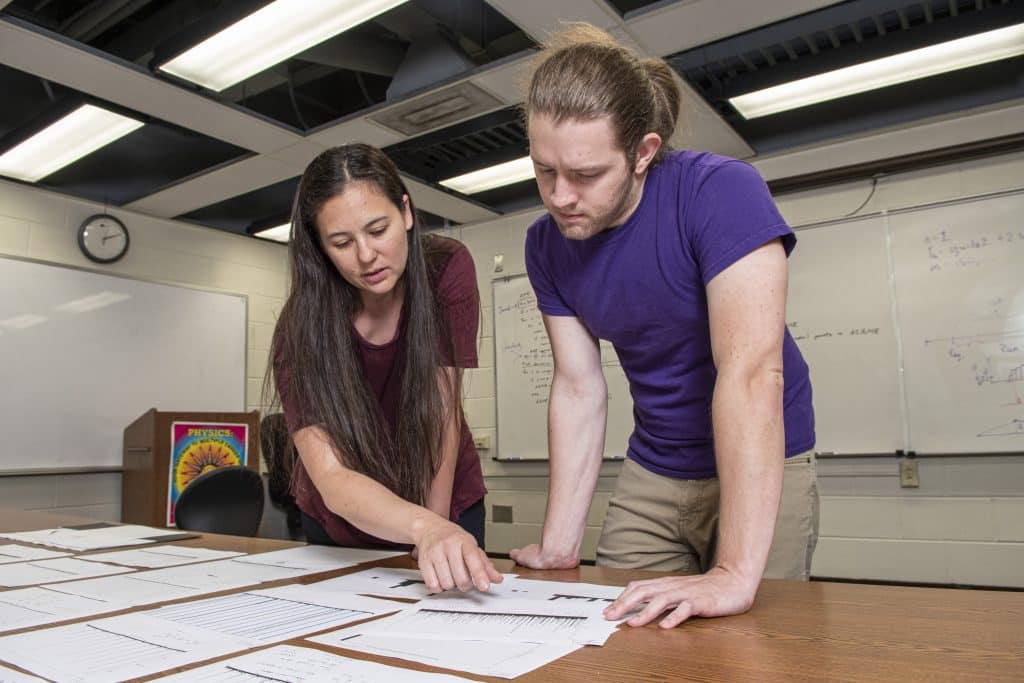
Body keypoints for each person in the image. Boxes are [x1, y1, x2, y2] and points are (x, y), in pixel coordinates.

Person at [509, 24, 818, 628]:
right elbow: (579, 386)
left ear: (644, 152)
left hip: (761, 458)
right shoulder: (545, 246)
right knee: (615, 630)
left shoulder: (720, 191)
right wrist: (557, 543)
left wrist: (730, 574)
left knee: (754, 642)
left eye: (586, 174)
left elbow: (751, 372)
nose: (560, 196)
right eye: (544, 171)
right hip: (655, 464)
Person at [267, 144, 500, 594]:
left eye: (378, 229)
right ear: (320, 246)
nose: (367, 255)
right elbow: (332, 478)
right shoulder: (298, 330)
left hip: (443, 501)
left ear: (406, 213)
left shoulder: (445, 268)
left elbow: (441, 415)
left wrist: (434, 526)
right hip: (344, 522)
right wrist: (421, 527)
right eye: (342, 243)